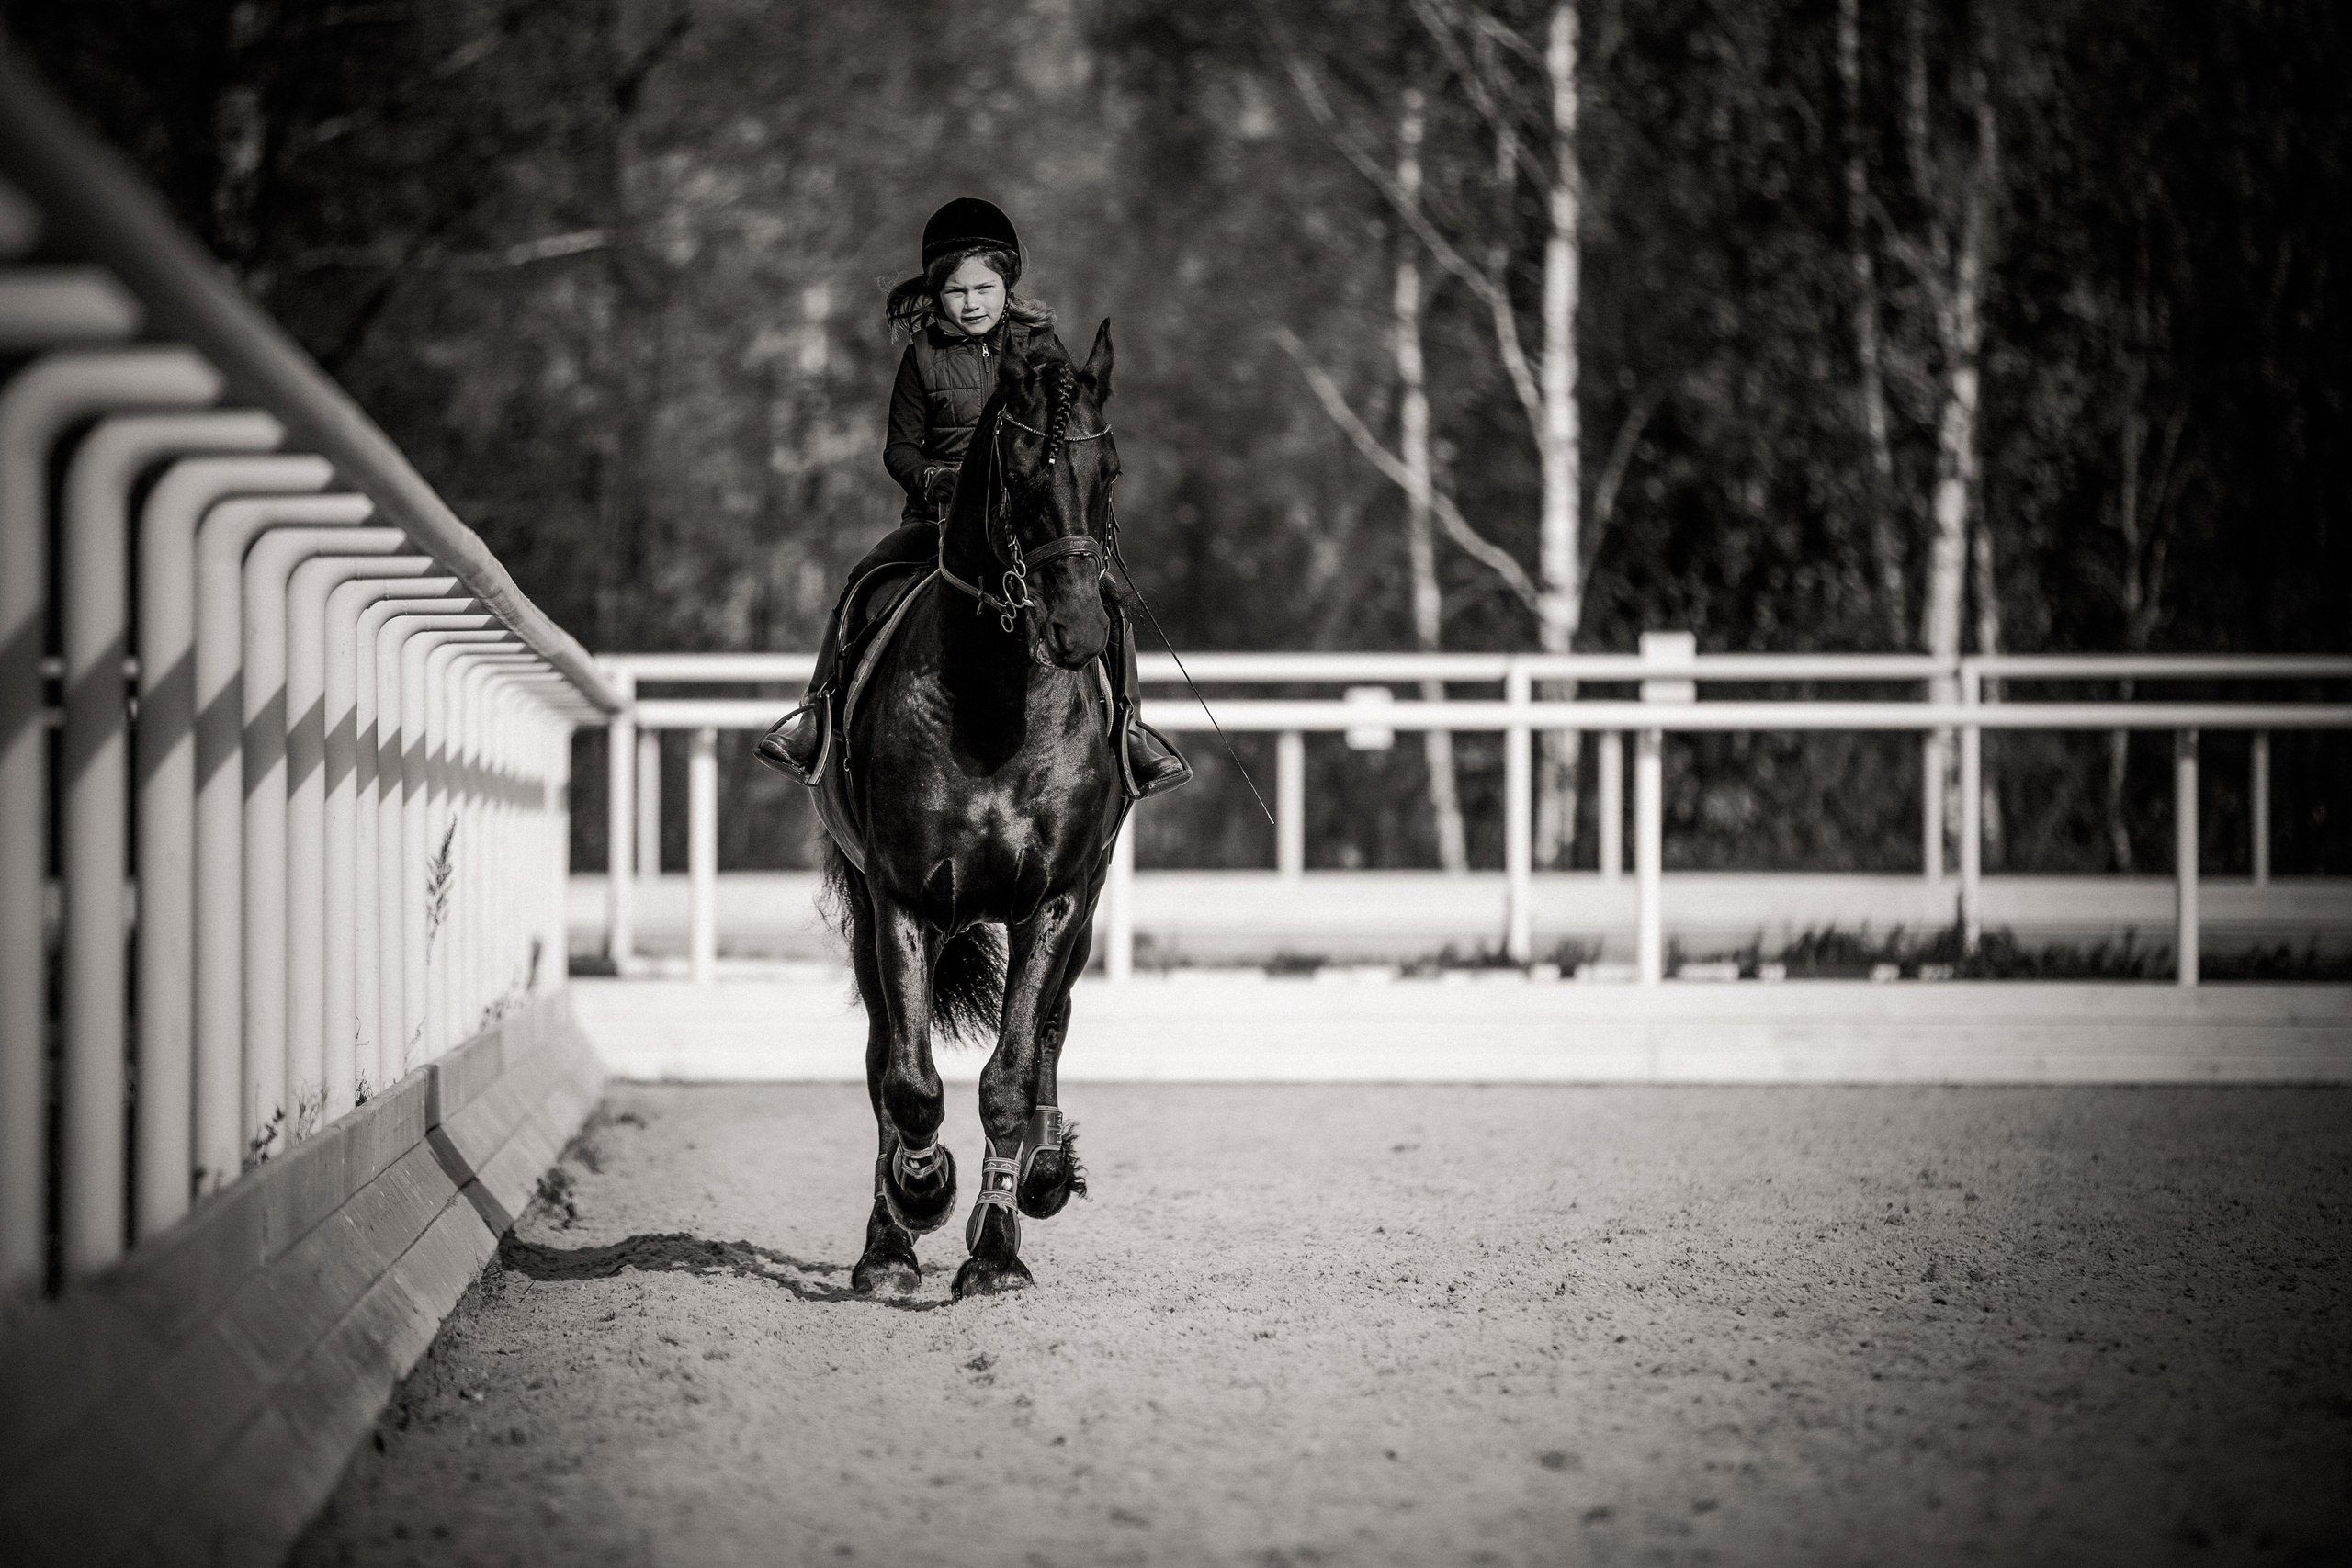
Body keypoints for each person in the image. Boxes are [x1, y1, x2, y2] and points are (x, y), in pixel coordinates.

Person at [755, 197, 1190, 796]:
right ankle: (814, 717)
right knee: (861, 582)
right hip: (938, 523)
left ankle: (1131, 733)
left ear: (1006, 287)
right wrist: (936, 480)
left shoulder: (1043, 355)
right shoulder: (921, 360)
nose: (972, 303)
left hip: (1026, 526)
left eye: (984, 288)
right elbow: (898, 451)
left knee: (1107, 596)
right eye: (958, 292)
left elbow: (1063, 433)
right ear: (937, 295)